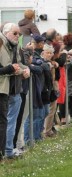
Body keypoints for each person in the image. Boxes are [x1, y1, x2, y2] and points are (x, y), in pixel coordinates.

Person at [0, 23, 30, 159]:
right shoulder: (1, 44)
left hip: (15, 89)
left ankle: (8, 149)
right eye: (15, 33)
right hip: (3, 88)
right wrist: (15, 70)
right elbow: (8, 67)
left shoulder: (16, 45)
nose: (18, 36)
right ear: (6, 33)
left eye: (19, 34)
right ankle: (6, 151)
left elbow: (18, 63)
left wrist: (26, 69)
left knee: (12, 121)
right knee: (4, 121)